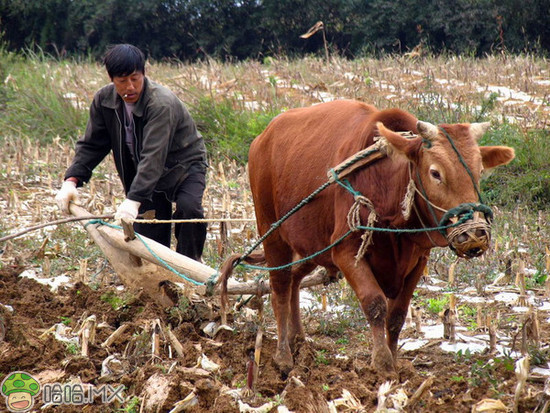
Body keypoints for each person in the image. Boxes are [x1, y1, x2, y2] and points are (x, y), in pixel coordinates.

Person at [55, 44, 208, 262]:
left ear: (144, 74)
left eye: (135, 79)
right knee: (150, 241)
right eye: (122, 81)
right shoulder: (104, 101)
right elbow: (91, 145)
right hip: (144, 174)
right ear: (111, 79)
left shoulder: (161, 103)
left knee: (189, 210)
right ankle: (159, 278)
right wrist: (71, 180)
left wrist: (133, 199)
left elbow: (154, 155)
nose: (130, 87)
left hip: (184, 165)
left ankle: (192, 266)